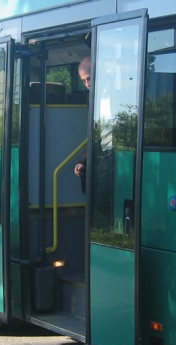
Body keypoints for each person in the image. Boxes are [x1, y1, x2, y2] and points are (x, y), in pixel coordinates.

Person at [73, 56, 113, 229]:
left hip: (120, 157)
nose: (87, 84)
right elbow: (96, 137)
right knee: (96, 199)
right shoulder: (94, 99)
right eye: (84, 81)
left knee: (103, 202)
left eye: (89, 78)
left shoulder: (119, 95)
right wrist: (83, 161)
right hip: (105, 158)